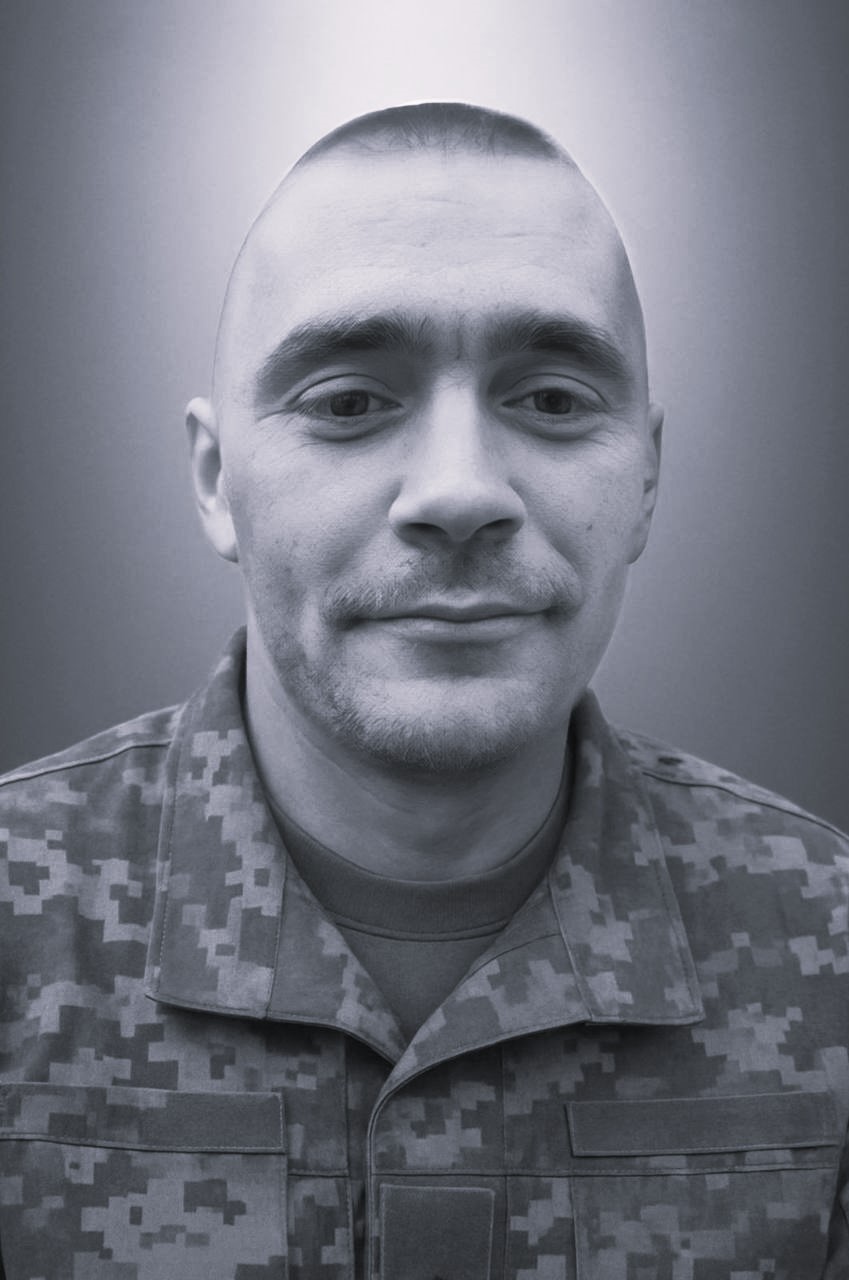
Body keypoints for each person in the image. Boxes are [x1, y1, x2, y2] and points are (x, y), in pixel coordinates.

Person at [0, 102, 846, 1280]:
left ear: (648, 478)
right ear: (216, 477)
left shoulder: (829, 944)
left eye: (552, 398)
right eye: (349, 401)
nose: (459, 490)